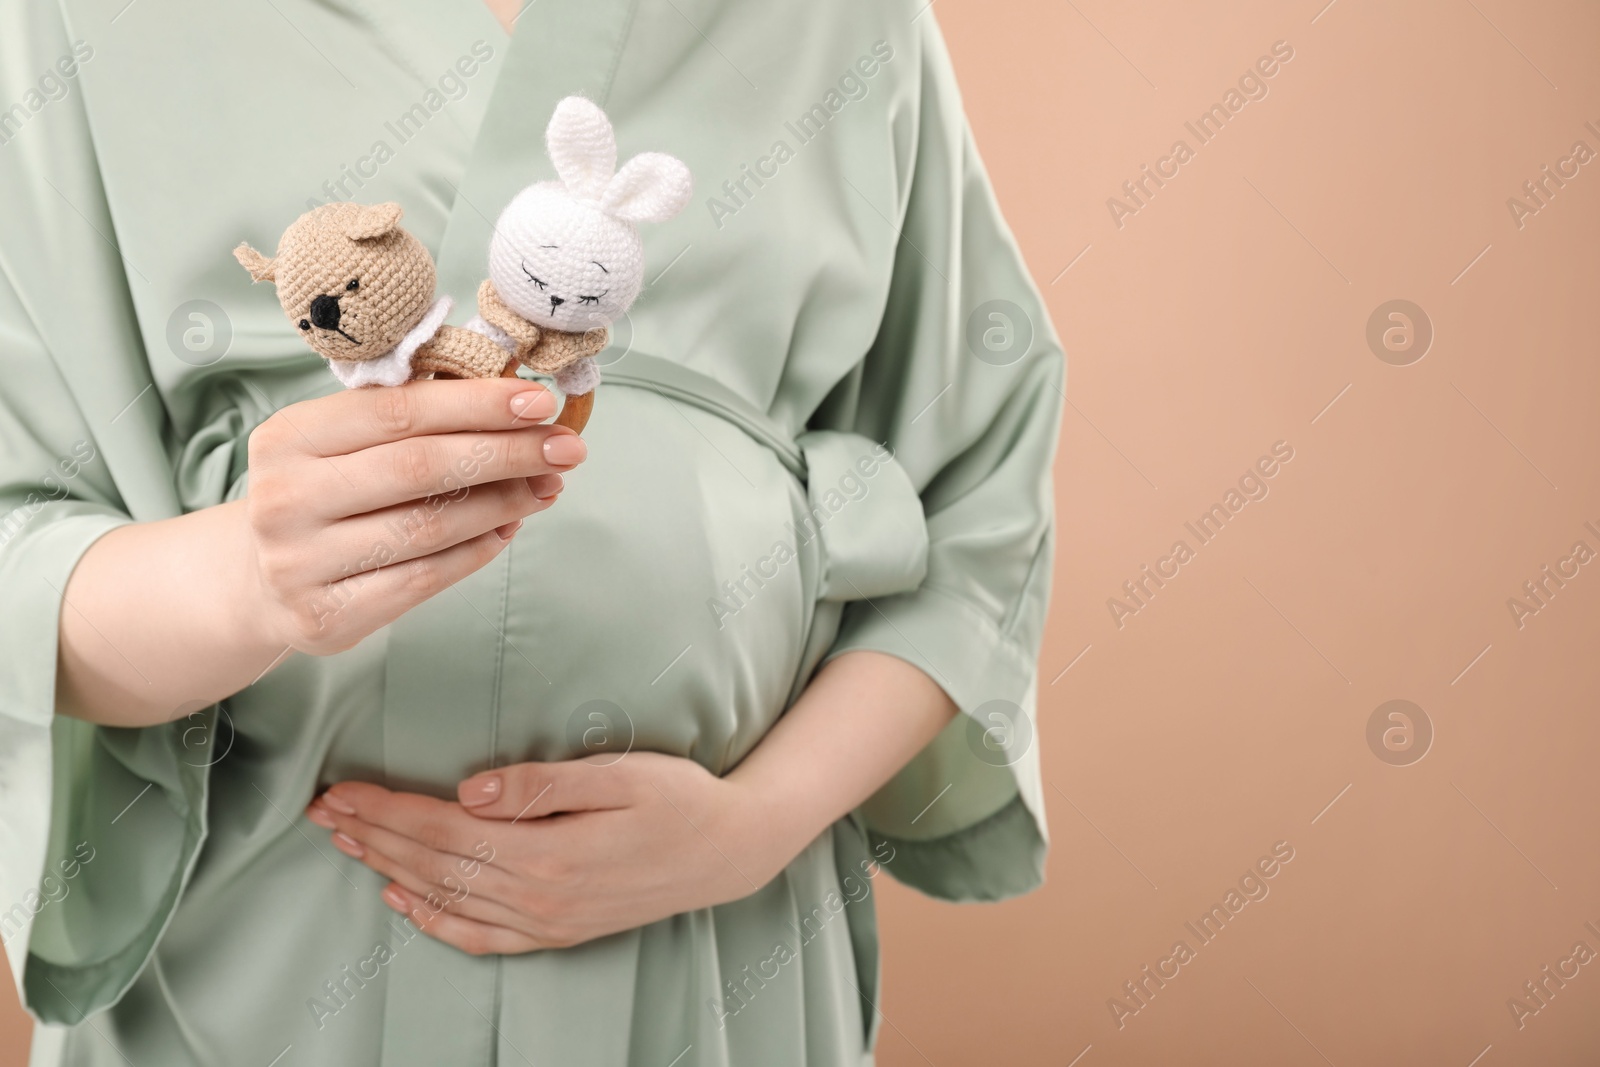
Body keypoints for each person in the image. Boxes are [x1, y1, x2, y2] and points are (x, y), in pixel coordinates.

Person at [0, 1, 1063, 1062]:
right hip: (257, 967)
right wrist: (248, 577)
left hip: (714, 970)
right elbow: (19, 548)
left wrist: (752, 829)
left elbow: (976, 516)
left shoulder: (842, 21)